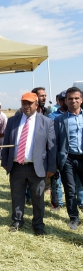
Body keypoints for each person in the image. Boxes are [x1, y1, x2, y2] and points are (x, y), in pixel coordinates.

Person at [1, 92, 56, 235]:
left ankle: (38, 225)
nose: (26, 106)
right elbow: (6, 142)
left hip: (37, 168)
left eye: (29, 103)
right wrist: (5, 161)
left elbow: (51, 147)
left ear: (36, 105)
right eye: (24, 103)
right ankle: (17, 221)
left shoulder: (46, 122)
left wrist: (51, 167)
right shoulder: (13, 121)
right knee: (17, 196)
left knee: (38, 198)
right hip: (17, 166)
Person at [54, 86, 83, 231]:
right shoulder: (60, 120)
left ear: (81, 100)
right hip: (68, 160)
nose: (73, 101)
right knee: (70, 190)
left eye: (76, 98)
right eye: (70, 98)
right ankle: (73, 218)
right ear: (65, 101)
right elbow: (55, 143)